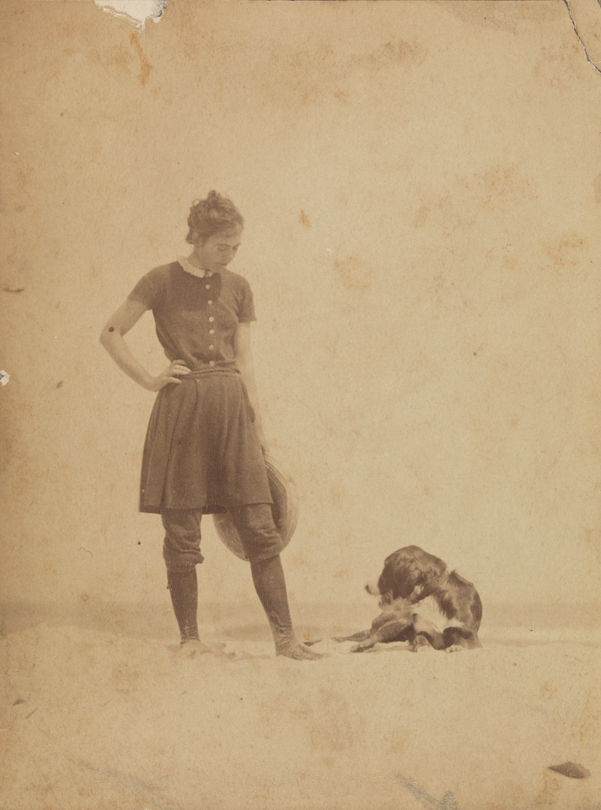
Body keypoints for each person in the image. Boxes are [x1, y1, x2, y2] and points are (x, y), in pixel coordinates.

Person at [100, 191, 320, 661]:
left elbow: (246, 361)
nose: (231, 255)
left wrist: (259, 428)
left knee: (261, 524)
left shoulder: (239, 286)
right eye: (223, 246)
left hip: (232, 410)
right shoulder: (158, 280)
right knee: (181, 530)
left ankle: (285, 640)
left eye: (237, 247)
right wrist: (150, 379)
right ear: (197, 239)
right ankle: (191, 640)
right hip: (183, 411)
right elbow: (111, 333)